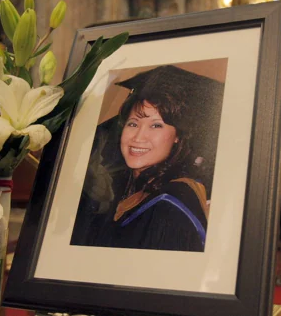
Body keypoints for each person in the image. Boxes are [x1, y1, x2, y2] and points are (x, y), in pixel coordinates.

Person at [70, 65, 225, 252]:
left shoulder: (170, 207)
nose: (138, 137)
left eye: (156, 126)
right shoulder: (128, 188)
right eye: (133, 123)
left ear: (178, 136)